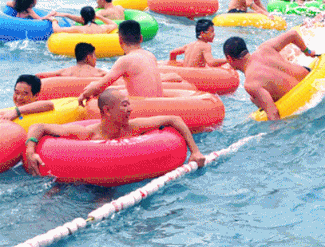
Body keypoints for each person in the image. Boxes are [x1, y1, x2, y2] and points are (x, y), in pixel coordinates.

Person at [24, 88, 206, 176]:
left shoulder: (134, 127)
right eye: (124, 105)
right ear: (107, 111)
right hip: (86, 180)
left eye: (129, 104)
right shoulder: (86, 134)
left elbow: (174, 119)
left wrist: (195, 151)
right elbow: (39, 126)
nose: (130, 109)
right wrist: (31, 150)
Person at [223, 30, 318, 120]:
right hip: (311, 76)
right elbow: (293, 34)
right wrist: (308, 52)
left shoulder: (250, 83)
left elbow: (273, 113)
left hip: (302, 100)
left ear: (229, 58)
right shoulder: (265, 48)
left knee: (254, 99)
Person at [78, 20, 163, 105]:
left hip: (142, 107)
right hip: (159, 104)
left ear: (120, 40)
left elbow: (99, 87)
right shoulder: (150, 55)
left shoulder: (125, 60)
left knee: (104, 95)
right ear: (141, 38)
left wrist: (84, 95)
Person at [36, 43, 107, 78]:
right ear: (88, 57)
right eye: (94, 56)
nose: (95, 58)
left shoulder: (64, 72)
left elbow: (38, 76)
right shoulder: (100, 73)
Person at [51, 6, 118, 34]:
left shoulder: (78, 29)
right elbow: (114, 24)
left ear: (82, 18)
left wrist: (54, 20)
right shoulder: (103, 28)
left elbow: (57, 30)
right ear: (94, 16)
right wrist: (100, 17)